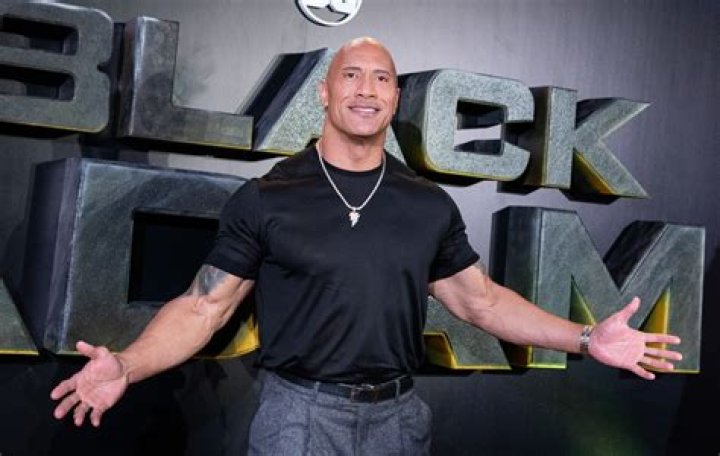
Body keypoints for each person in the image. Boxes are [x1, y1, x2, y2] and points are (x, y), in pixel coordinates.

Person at [50, 37, 682, 455]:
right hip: (299, 419)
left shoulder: (426, 204)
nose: (366, 89)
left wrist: (585, 338)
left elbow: (482, 303)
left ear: (395, 98)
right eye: (350, 75)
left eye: (381, 78)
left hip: (399, 420)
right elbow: (203, 306)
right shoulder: (269, 197)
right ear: (324, 93)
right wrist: (127, 365)